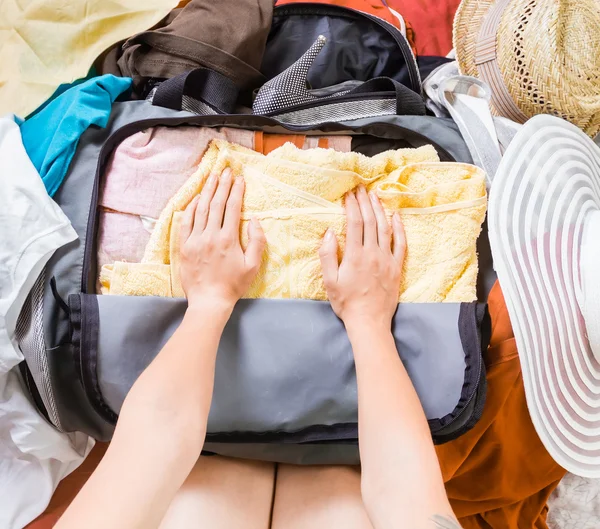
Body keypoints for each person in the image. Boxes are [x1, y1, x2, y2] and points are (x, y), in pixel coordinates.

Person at [55, 169, 461, 529]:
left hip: (216, 457)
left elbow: (147, 455)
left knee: (216, 479)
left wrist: (210, 301)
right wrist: (368, 319)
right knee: (330, 483)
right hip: (332, 461)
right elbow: (402, 492)